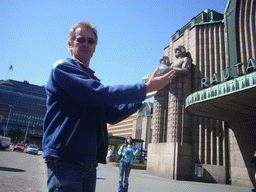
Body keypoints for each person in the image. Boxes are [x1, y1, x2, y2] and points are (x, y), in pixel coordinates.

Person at [42, 20, 176, 192]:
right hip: (65, 158)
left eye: (91, 41)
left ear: (95, 47)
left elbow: (111, 115)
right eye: (80, 39)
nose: (86, 44)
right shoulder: (62, 68)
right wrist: (144, 88)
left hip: (89, 160)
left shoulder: (92, 80)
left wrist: (141, 98)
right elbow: (98, 94)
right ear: (70, 44)